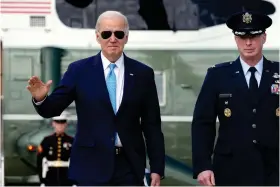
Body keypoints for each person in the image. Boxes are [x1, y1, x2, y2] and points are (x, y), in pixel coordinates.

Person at [27, 10, 165, 186]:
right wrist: (41, 99)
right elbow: (52, 109)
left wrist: (157, 168)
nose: (113, 39)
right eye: (107, 33)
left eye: (119, 34)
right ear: (98, 36)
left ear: (126, 37)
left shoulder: (143, 74)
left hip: (129, 166)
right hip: (90, 166)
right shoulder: (79, 71)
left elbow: (152, 125)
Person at [191, 11, 279, 186]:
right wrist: (203, 166)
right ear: (235, 39)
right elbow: (203, 123)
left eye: (254, 37)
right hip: (230, 169)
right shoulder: (218, 75)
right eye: (242, 37)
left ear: (264, 38)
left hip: (273, 169)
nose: (248, 42)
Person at [37, 111, 74, 186]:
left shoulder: (71, 141)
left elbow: (77, 161)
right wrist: (42, 180)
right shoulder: (47, 141)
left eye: (62, 123)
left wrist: (75, 180)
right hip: (50, 177)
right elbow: (40, 161)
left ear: (66, 124)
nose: (60, 126)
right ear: (53, 124)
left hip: (66, 177)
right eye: (57, 123)